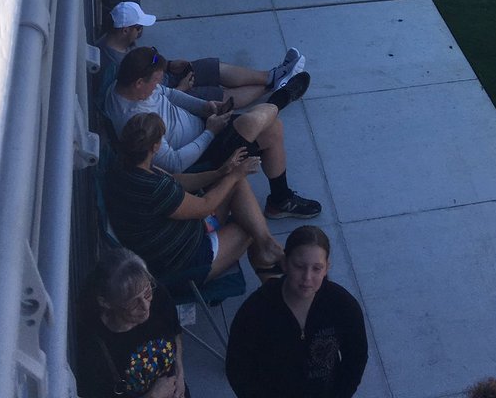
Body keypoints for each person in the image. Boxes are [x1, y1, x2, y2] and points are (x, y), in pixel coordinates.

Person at [104, 46, 321, 220]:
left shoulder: (127, 86)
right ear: (140, 83)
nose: (158, 85)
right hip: (200, 156)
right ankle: (282, 97)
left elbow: (168, 94)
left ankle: (280, 201)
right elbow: (174, 164)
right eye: (155, 82)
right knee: (251, 123)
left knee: (273, 129)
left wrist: (204, 107)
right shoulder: (136, 123)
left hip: (205, 127)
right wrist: (210, 132)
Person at [106, 113, 285, 285]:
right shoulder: (155, 189)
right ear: (155, 147)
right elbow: (205, 207)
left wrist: (220, 173)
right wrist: (235, 175)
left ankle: (268, 246)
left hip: (180, 232)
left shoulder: (125, 165)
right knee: (248, 229)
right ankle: (270, 279)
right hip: (183, 261)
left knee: (236, 184)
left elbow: (176, 179)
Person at [225, 226, 368, 398]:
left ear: (327, 268)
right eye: (299, 266)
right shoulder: (256, 310)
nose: (307, 278)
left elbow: (356, 357)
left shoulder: (343, 306)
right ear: (285, 263)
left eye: (317, 268)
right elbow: (238, 367)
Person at [96, 0, 306, 106]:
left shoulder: (120, 42)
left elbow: (148, 57)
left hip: (166, 76)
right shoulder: (115, 66)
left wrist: (167, 64)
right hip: (171, 94)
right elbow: (147, 99)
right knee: (219, 96)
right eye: (138, 28)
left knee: (208, 66)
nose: (141, 32)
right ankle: (274, 86)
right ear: (125, 30)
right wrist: (181, 89)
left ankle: (273, 76)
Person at [74, 247, 186, 398]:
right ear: (106, 302)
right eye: (133, 303)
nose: (146, 307)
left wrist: (180, 373)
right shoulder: (94, 348)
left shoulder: (158, 295)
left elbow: (175, 332)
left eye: (147, 293)